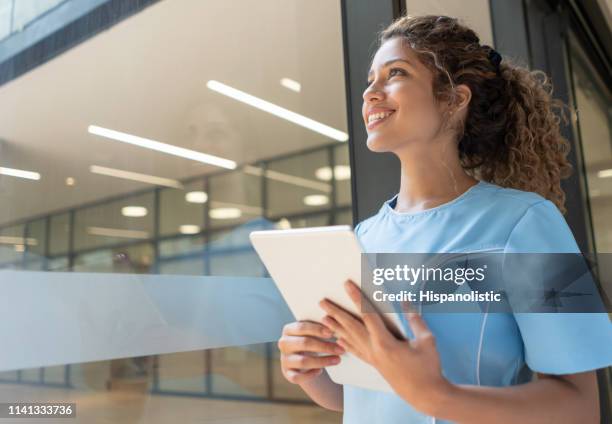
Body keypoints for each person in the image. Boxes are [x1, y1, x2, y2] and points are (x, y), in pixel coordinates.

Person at [277, 14, 612, 423]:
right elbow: (364, 397)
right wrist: (310, 370)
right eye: (370, 79)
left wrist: (438, 396)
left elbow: (582, 408)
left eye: (395, 73)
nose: (370, 92)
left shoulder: (530, 222)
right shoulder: (363, 236)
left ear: (455, 99)